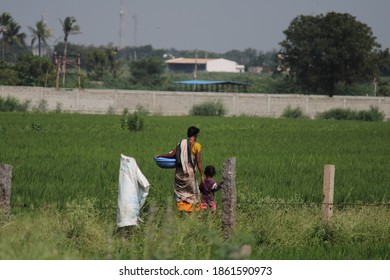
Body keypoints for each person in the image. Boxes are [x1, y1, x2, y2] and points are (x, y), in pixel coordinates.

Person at [156, 126, 205, 213]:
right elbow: (198, 161)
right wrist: (202, 175)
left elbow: (171, 155)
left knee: (181, 193)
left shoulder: (181, 143)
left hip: (179, 174)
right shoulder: (197, 145)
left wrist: (160, 155)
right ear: (195, 135)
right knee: (193, 193)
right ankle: (193, 212)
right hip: (189, 174)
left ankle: (183, 210)